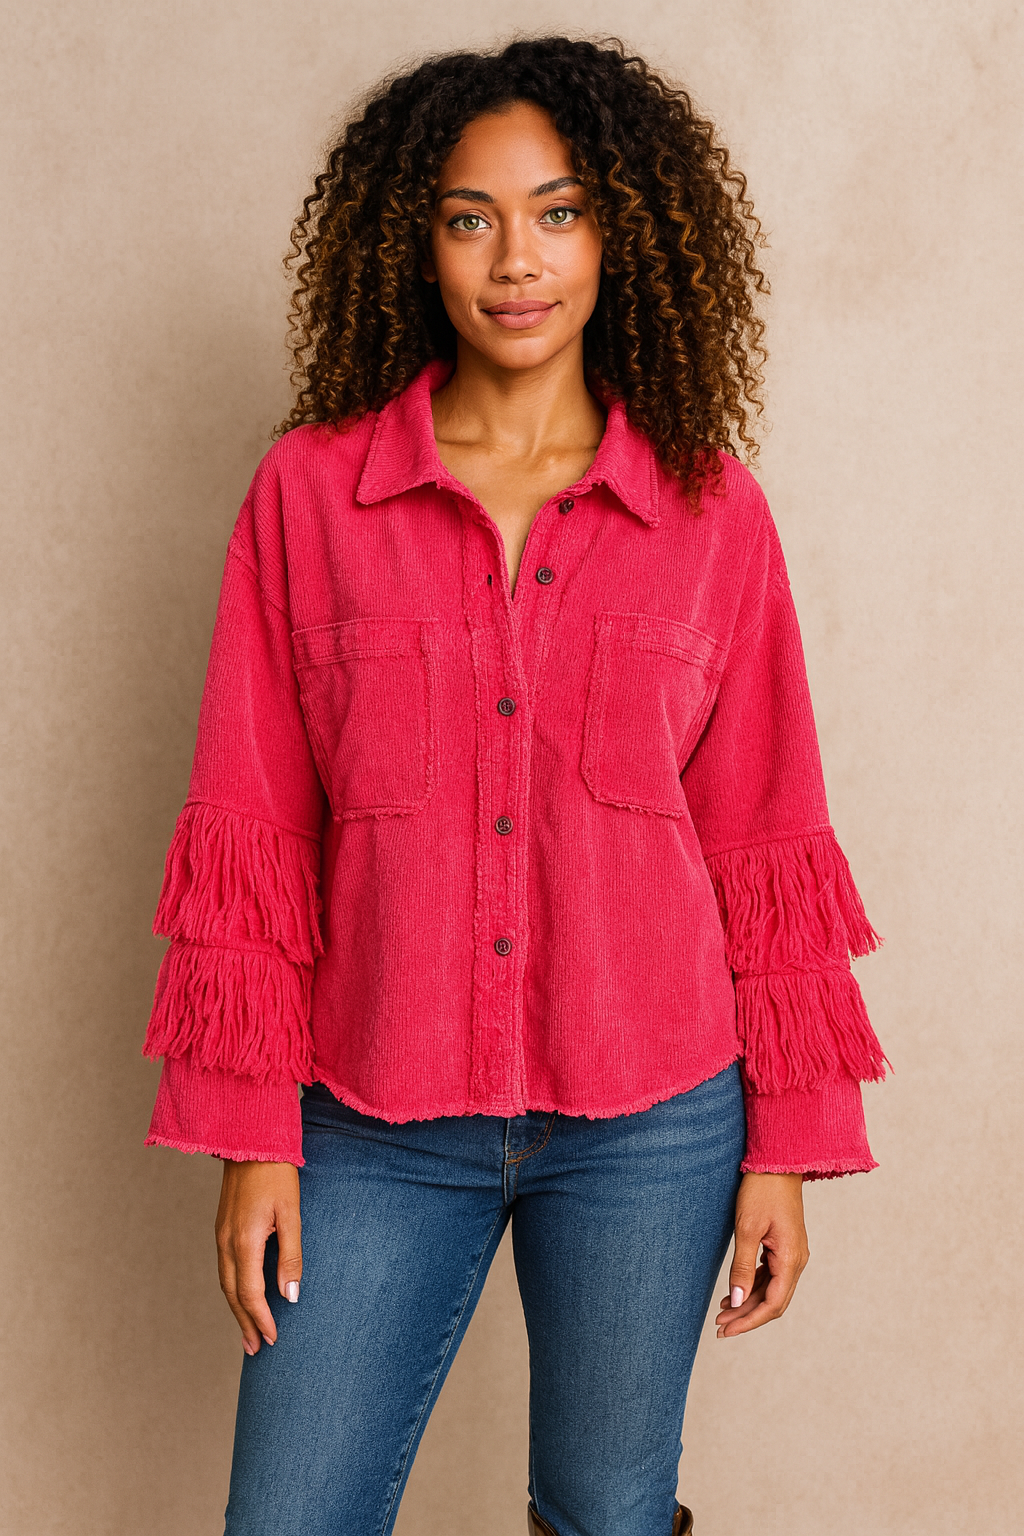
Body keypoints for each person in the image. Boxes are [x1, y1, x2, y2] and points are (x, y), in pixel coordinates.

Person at [142, 35, 887, 1536]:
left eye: (556, 212)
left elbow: (766, 837)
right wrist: (252, 1133)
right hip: (368, 1111)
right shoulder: (310, 495)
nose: (515, 261)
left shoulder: (711, 516)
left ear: (622, 232)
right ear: (414, 240)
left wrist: (789, 1152)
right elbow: (255, 828)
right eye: (470, 216)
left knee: (609, 1516)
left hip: (656, 1119)